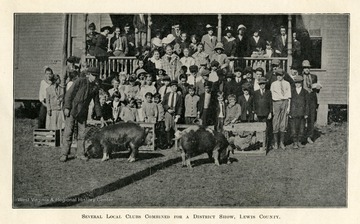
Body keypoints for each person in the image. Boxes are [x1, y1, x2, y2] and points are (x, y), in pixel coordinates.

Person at [60, 67, 104, 162]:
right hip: (72, 110)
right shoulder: (80, 81)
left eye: (97, 76)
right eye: (93, 76)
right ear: (89, 74)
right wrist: (67, 107)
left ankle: (80, 153)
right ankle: (64, 154)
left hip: (83, 113)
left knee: (82, 134)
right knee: (68, 132)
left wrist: (100, 116)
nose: (95, 78)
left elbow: (97, 103)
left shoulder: (95, 87)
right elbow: (69, 94)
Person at [270, 68, 291, 150]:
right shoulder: (273, 84)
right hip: (276, 102)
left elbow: (289, 96)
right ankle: (275, 142)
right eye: (277, 75)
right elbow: (271, 96)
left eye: (280, 75)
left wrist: (288, 107)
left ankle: (282, 142)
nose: (279, 77)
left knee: (283, 122)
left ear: (283, 75)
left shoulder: (287, 83)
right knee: (276, 122)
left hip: (285, 102)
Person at [302, 60, 322, 144]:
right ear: (303, 68)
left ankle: (309, 136)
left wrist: (318, 88)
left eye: (308, 67)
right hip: (303, 100)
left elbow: (317, 91)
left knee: (311, 118)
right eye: (305, 68)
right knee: (302, 119)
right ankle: (302, 136)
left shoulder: (314, 77)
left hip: (312, 99)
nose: (307, 69)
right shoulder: (300, 77)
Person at [289, 75, 309, 149]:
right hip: (293, 112)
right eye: (296, 83)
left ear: (301, 83)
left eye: (299, 83)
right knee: (293, 128)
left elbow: (307, 103)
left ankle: (299, 142)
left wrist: (306, 113)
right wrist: (290, 112)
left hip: (302, 113)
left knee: (301, 128)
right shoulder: (292, 91)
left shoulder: (305, 92)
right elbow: (289, 102)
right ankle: (294, 142)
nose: (297, 84)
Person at [162, 80, 183, 148]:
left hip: (175, 112)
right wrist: (168, 109)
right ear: (170, 87)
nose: (175, 88)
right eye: (173, 86)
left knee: (176, 127)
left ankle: (177, 143)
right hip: (168, 112)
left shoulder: (179, 96)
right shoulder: (167, 94)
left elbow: (180, 106)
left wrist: (178, 115)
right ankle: (168, 142)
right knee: (167, 127)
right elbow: (163, 103)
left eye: (176, 86)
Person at [253, 77, 273, 150]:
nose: (262, 85)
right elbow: (254, 104)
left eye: (263, 84)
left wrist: (270, 113)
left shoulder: (268, 92)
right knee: (258, 129)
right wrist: (255, 113)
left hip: (266, 114)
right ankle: (259, 144)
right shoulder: (255, 92)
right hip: (258, 114)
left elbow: (271, 103)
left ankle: (266, 144)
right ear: (259, 85)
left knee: (266, 129)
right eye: (261, 84)